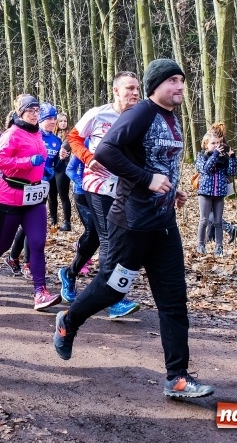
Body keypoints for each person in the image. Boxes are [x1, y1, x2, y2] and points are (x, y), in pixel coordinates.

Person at [53, 58, 215, 398]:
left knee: (173, 301)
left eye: (182, 80)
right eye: (173, 80)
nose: (180, 86)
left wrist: (171, 186)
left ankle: (177, 377)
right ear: (156, 85)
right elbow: (107, 150)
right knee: (113, 289)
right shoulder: (140, 113)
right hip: (132, 222)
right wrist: (146, 180)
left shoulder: (172, 118)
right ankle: (69, 322)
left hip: (163, 224)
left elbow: (160, 162)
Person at [57, 71, 141, 319]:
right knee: (109, 240)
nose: (135, 93)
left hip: (127, 188)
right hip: (98, 186)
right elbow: (73, 137)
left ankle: (69, 274)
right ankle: (114, 300)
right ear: (116, 91)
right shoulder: (98, 114)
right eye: (129, 88)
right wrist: (88, 158)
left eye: (137, 88)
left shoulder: (141, 117)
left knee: (95, 237)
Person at [0, 95, 62, 311]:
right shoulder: (12, 133)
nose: (35, 114)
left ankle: (40, 292)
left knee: (37, 243)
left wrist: (43, 171)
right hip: (10, 196)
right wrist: (27, 163)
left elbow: (40, 157)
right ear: (20, 112)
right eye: (30, 110)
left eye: (37, 110)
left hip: (33, 197)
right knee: (4, 244)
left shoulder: (38, 134)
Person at [5, 102, 61, 277]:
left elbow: (56, 165)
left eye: (54, 118)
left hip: (42, 187)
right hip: (24, 185)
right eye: (49, 118)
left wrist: (54, 168)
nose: (52, 122)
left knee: (31, 226)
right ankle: (22, 261)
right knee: (27, 225)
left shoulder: (57, 141)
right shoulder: (33, 135)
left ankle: (17, 258)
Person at [60, 142, 98, 302]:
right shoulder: (86, 142)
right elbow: (70, 169)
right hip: (82, 194)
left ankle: (114, 292)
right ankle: (70, 273)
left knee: (106, 237)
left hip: (104, 194)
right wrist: (83, 183)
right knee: (93, 233)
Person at [194, 123, 237, 257]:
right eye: (213, 143)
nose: (216, 146)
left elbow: (231, 172)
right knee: (204, 220)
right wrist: (215, 155)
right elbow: (206, 169)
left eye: (219, 143)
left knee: (218, 221)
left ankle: (219, 248)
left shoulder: (223, 159)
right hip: (205, 193)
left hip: (219, 193)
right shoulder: (201, 156)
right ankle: (201, 245)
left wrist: (232, 158)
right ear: (206, 144)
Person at [52, 112, 72, 231]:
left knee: (63, 195)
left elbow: (64, 147)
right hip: (51, 167)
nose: (63, 123)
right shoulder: (52, 135)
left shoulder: (69, 135)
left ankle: (67, 222)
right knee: (52, 195)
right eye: (61, 121)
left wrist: (62, 151)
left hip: (63, 167)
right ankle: (54, 220)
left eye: (65, 121)